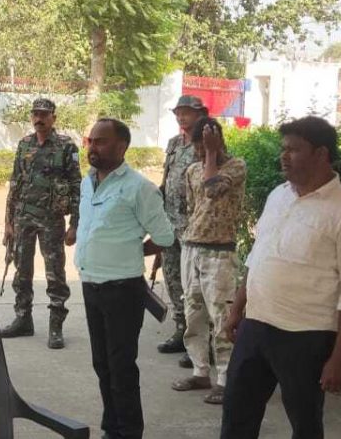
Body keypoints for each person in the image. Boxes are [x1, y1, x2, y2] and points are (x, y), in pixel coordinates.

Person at [220, 116, 341, 439]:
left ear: (321, 154)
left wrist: (339, 358)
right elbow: (258, 256)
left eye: (293, 149)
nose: (284, 156)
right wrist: (237, 309)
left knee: (304, 423)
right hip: (256, 325)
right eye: (283, 149)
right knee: (236, 415)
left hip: (306, 336)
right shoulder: (279, 195)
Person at [75, 118, 176, 439]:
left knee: (121, 367)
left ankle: (129, 432)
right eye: (91, 141)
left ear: (122, 147)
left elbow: (165, 236)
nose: (93, 147)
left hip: (122, 291)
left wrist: (133, 249)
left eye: (101, 141)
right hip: (91, 286)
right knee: (102, 364)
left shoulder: (139, 188)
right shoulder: (87, 182)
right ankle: (112, 427)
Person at [172, 118, 246, 405]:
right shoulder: (192, 170)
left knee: (222, 317)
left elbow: (213, 189)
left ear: (219, 140)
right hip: (192, 248)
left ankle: (226, 379)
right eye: (199, 147)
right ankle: (200, 371)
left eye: (206, 146)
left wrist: (213, 155)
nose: (201, 153)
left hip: (220, 251)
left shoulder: (235, 166)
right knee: (193, 314)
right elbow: (193, 208)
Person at [0, 98, 81, 349]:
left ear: (53, 117)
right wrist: (8, 222)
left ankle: (56, 326)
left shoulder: (66, 146)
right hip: (23, 217)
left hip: (51, 219)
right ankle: (23, 319)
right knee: (21, 271)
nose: (39, 119)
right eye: (35, 114)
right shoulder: (25, 144)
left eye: (44, 114)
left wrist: (75, 224)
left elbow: (76, 185)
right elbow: (15, 182)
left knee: (55, 273)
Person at [157, 95, 209, 357]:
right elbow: (166, 179)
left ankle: (200, 340)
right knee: (173, 278)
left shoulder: (207, 144)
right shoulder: (174, 143)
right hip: (169, 223)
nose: (181, 116)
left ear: (200, 114)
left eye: (186, 112)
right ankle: (181, 329)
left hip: (193, 224)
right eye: (178, 112)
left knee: (194, 284)